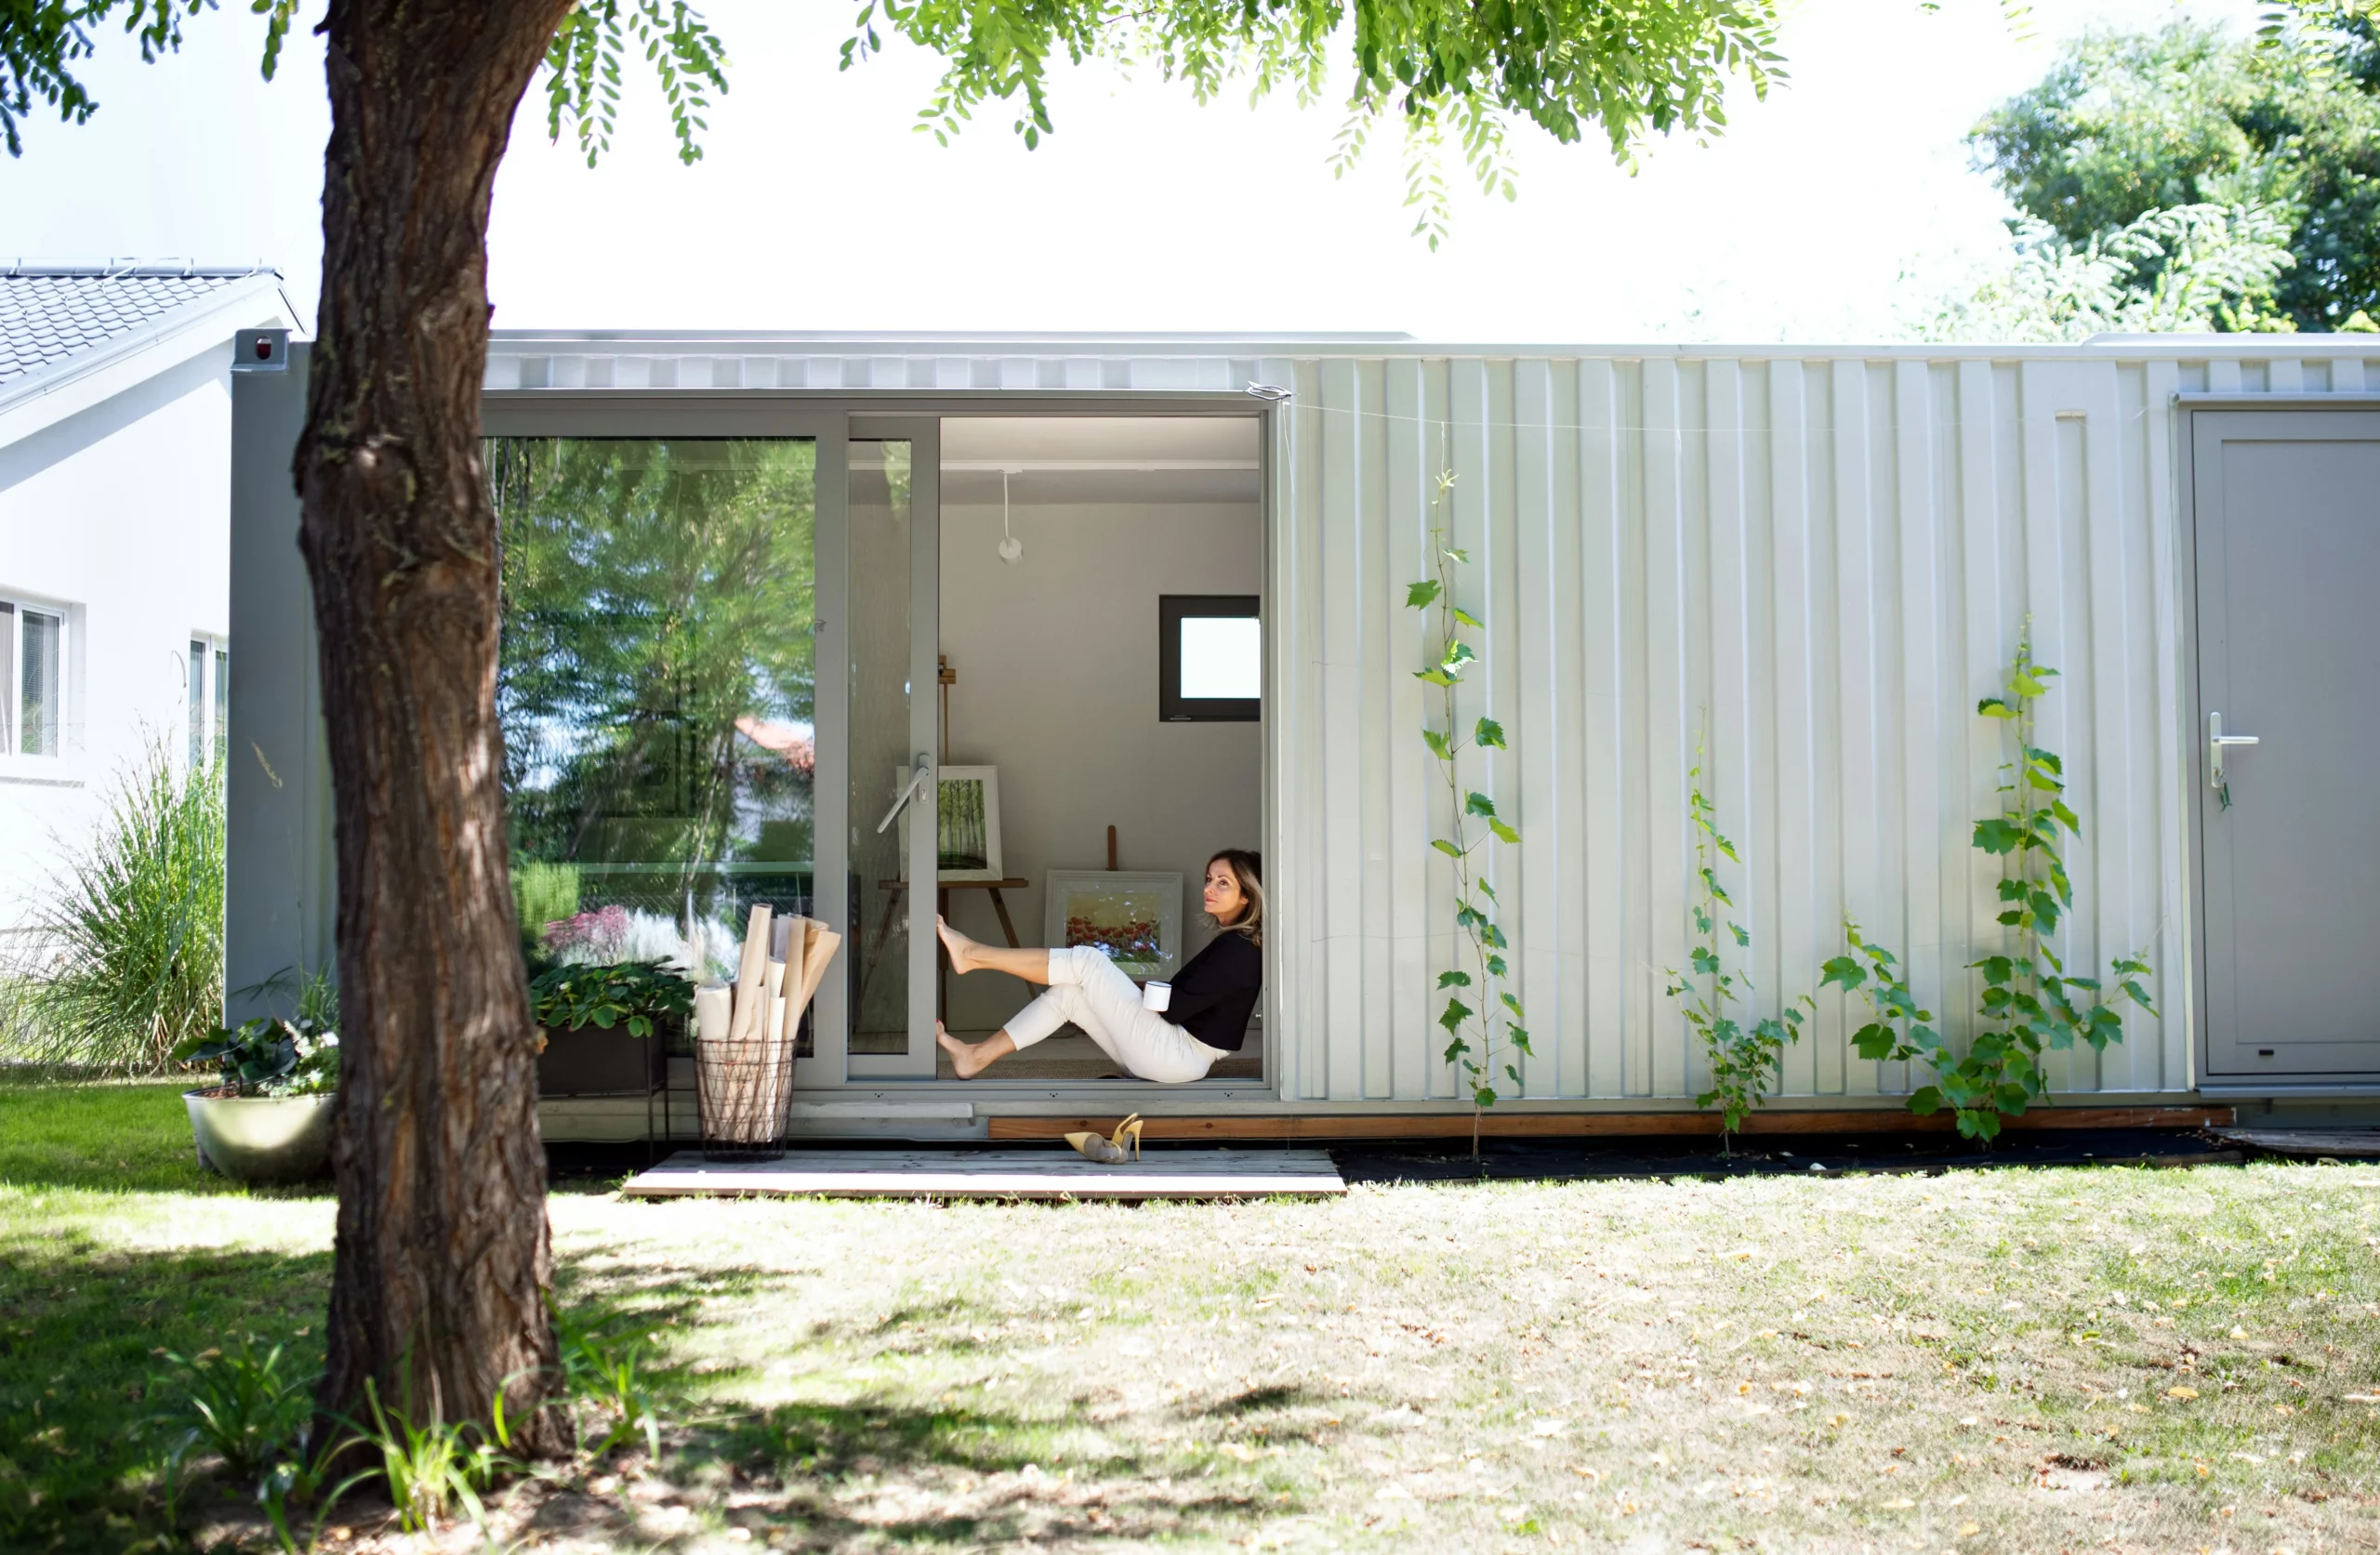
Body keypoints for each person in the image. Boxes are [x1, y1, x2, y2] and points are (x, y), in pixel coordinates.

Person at [935, 849, 1263, 1083]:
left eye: (1223, 883)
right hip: (1171, 1055)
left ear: (1246, 896)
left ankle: (974, 955)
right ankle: (974, 1058)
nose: (1208, 888)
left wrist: (1121, 988)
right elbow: (1187, 1001)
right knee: (1069, 995)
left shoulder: (1238, 949)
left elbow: (1174, 1008)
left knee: (1089, 962)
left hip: (1177, 1056)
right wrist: (1121, 990)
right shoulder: (1236, 945)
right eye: (1209, 878)